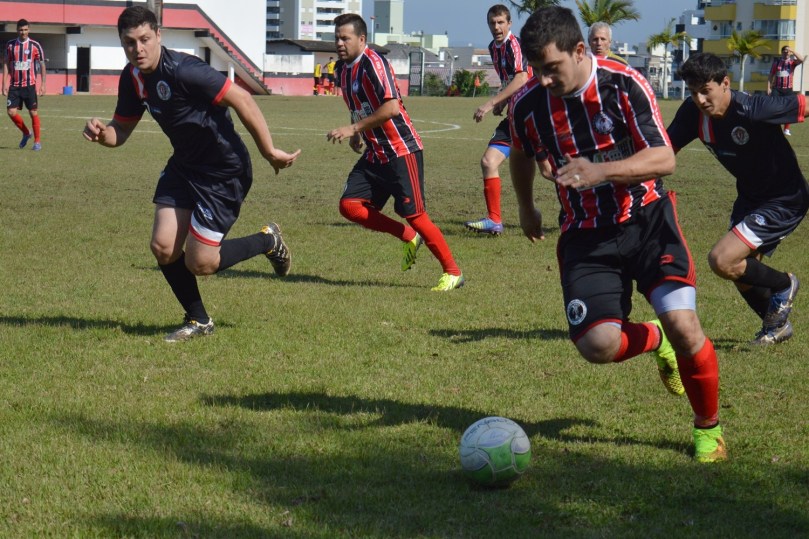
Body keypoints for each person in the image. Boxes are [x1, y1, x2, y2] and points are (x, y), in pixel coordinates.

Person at [509, 6, 726, 462]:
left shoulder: (624, 84)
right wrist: (527, 206)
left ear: (580, 50)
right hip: (586, 235)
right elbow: (522, 153)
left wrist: (601, 172)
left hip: (647, 220)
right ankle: (654, 339)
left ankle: (708, 428)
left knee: (686, 329)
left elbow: (664, 158)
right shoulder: (529, 104)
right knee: (598, 345)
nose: (545, 80)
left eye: (552, 69)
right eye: (537, 71)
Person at [82, 6, 300, 342]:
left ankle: (268, 240)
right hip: (184, 165)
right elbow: (120, 132)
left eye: (144, 39)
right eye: (129, 43)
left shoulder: (185, 70)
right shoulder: (133, 78)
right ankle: (198, 321)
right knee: (164, 246)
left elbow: (242, 98)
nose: (138, 49)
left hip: (224, 170)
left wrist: (269, 151)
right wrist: (102, 134)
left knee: (201, 263)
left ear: (158, 36)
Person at [668, 52, 806, 345]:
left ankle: (785, 284)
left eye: (706, 91)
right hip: (749, 197)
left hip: (785, 199)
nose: (701, 100)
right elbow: (665, 151)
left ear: (725, 83)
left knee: (722, 259)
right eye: (694, 93)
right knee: (742, 273)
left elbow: (803, 106)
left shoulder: (754, 108)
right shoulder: (693, 114)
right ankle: (775, 327)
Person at [327, 13, 464, 291]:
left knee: (415, 213)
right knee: (349, 205)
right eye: (337, 38)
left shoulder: (374, 64)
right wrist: (359, 132)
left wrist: (353, 130)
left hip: (401, 150)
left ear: (362, 39)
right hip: (375, 154)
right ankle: (408, 236)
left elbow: (391, 109)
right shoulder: (342, 69)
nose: (339, 43)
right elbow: (358, 103)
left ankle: (453, 272)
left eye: (345, 38)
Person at [464, 4, 532, 236]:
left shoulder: (516, 44)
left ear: (509, 24)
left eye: (501, 22)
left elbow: (522, 79)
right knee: (488, 162)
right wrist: (504, 102)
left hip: (532, 114)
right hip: (514, 115)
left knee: (550, 170)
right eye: (493, 23)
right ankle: (494, 220)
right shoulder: (494, 48)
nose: (497, 27)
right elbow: (509, 81)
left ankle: (584, 205)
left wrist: (492, 102)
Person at [2, 18, 45, 151]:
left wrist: (43, 84)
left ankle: (37, 142)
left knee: (33, 112)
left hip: (29, 85)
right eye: (21, 30)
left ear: (29, 30)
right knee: (11, 112)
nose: (23, 32)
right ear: (17, 30)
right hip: (15, 85)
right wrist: (4, 83)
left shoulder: (35, 45)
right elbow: (6, 63)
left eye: (26, 29)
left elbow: (42, 64)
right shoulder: (10, 45)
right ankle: (26, 133)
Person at [768, 46, 803, 136]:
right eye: (785, 51)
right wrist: (768, 87)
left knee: (789, 108)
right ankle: (774, 127)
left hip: (788, 89)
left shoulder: (792, 62)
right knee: (773, 108)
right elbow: (771, 75)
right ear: (782, 52)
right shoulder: (777, 62)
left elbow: (802, 59)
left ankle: (786, 129)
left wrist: (793, 51)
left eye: (788, 51)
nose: (786, 53)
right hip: (777, 89)